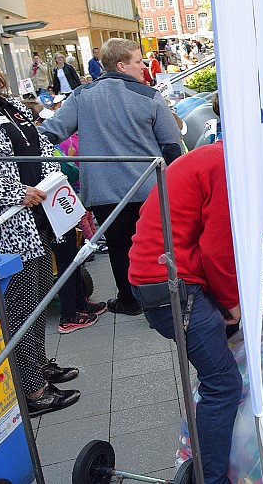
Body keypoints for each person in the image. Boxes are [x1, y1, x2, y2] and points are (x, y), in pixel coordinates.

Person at [129, 139, 263, 484]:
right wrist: (234, 301)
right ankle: (211, 478)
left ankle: (222, 452)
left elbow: (226, 242)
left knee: (222, 367)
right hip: (170, 284)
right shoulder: (228, 168)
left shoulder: (218, 156)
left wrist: (248, 288)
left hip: (164, 275)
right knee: (223, 383)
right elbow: (218, 249)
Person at [39, 38, 183, 316]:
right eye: (139, 61)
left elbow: (50, 133)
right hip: (147, 187)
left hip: (103, 190)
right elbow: (172, 145)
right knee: (155, 243)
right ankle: (158, 297)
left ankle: (129, 301)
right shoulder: (149, 96)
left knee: (118, 246)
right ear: (122, 65)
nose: (143, 67)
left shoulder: (81, 96)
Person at [0, 31, 81, 416]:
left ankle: (37, 365)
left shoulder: (5, 104)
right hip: (4, 223)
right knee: (20, 305)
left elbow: (42, 145)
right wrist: (14, 190)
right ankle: (31, 390)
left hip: (36, 214)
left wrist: (51, 179)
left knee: (38, 297)